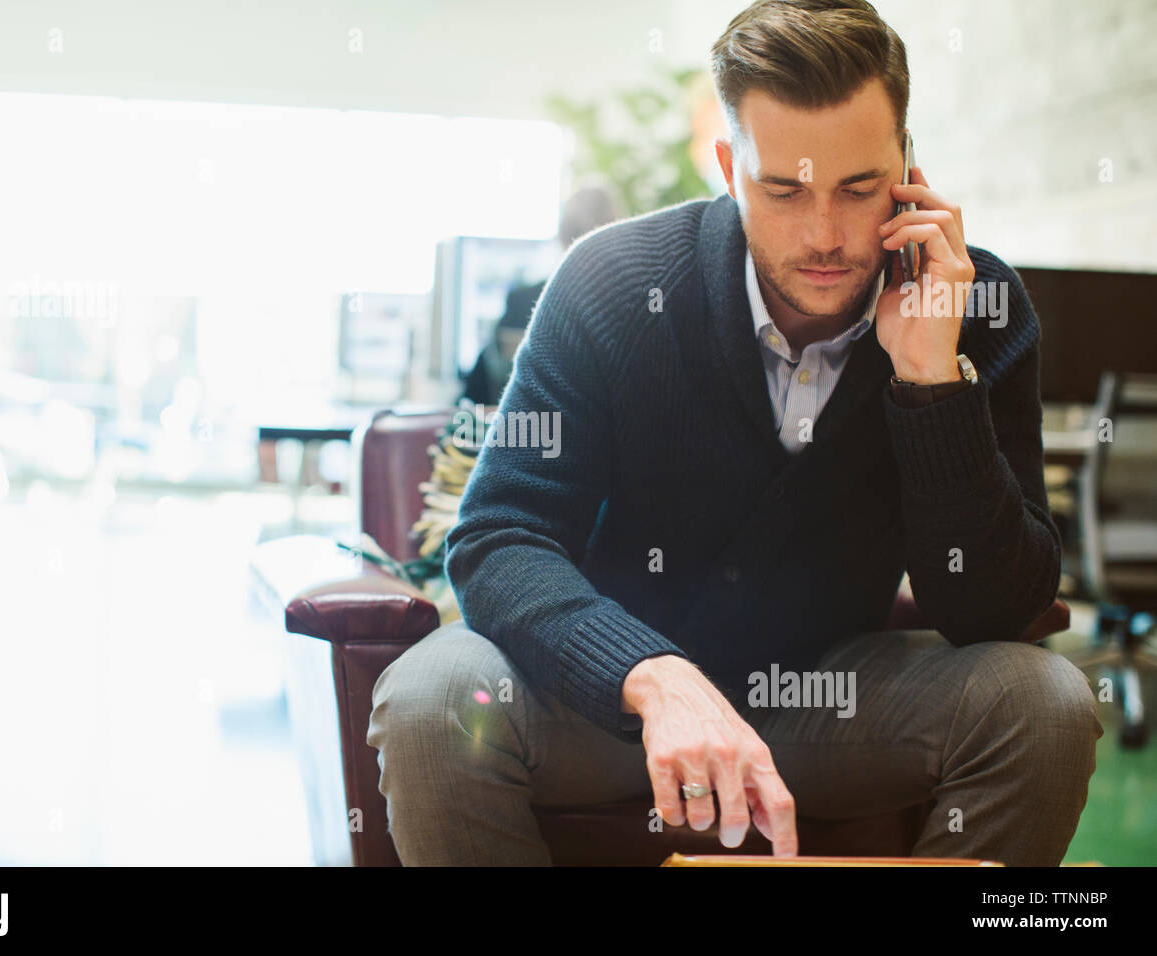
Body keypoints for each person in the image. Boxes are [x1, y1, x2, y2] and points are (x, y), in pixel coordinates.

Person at [369, 0, 1102, 866]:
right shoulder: (611, 284)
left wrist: (930, 380)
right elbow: (499, 535)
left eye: (860, 189)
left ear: (907, 166)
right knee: (432, 705)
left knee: (1047, 706)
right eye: (783, 189)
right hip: (608, 704)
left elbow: (997, 609)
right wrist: (648, 675)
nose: (825, 236)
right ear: (728, 165)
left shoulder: (976, 305)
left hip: (830, 698)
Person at [461, 185, 622, 406]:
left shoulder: (523, 300)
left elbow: (477, 393)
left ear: (562, 235)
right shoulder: (630, 308)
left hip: (535, 432)